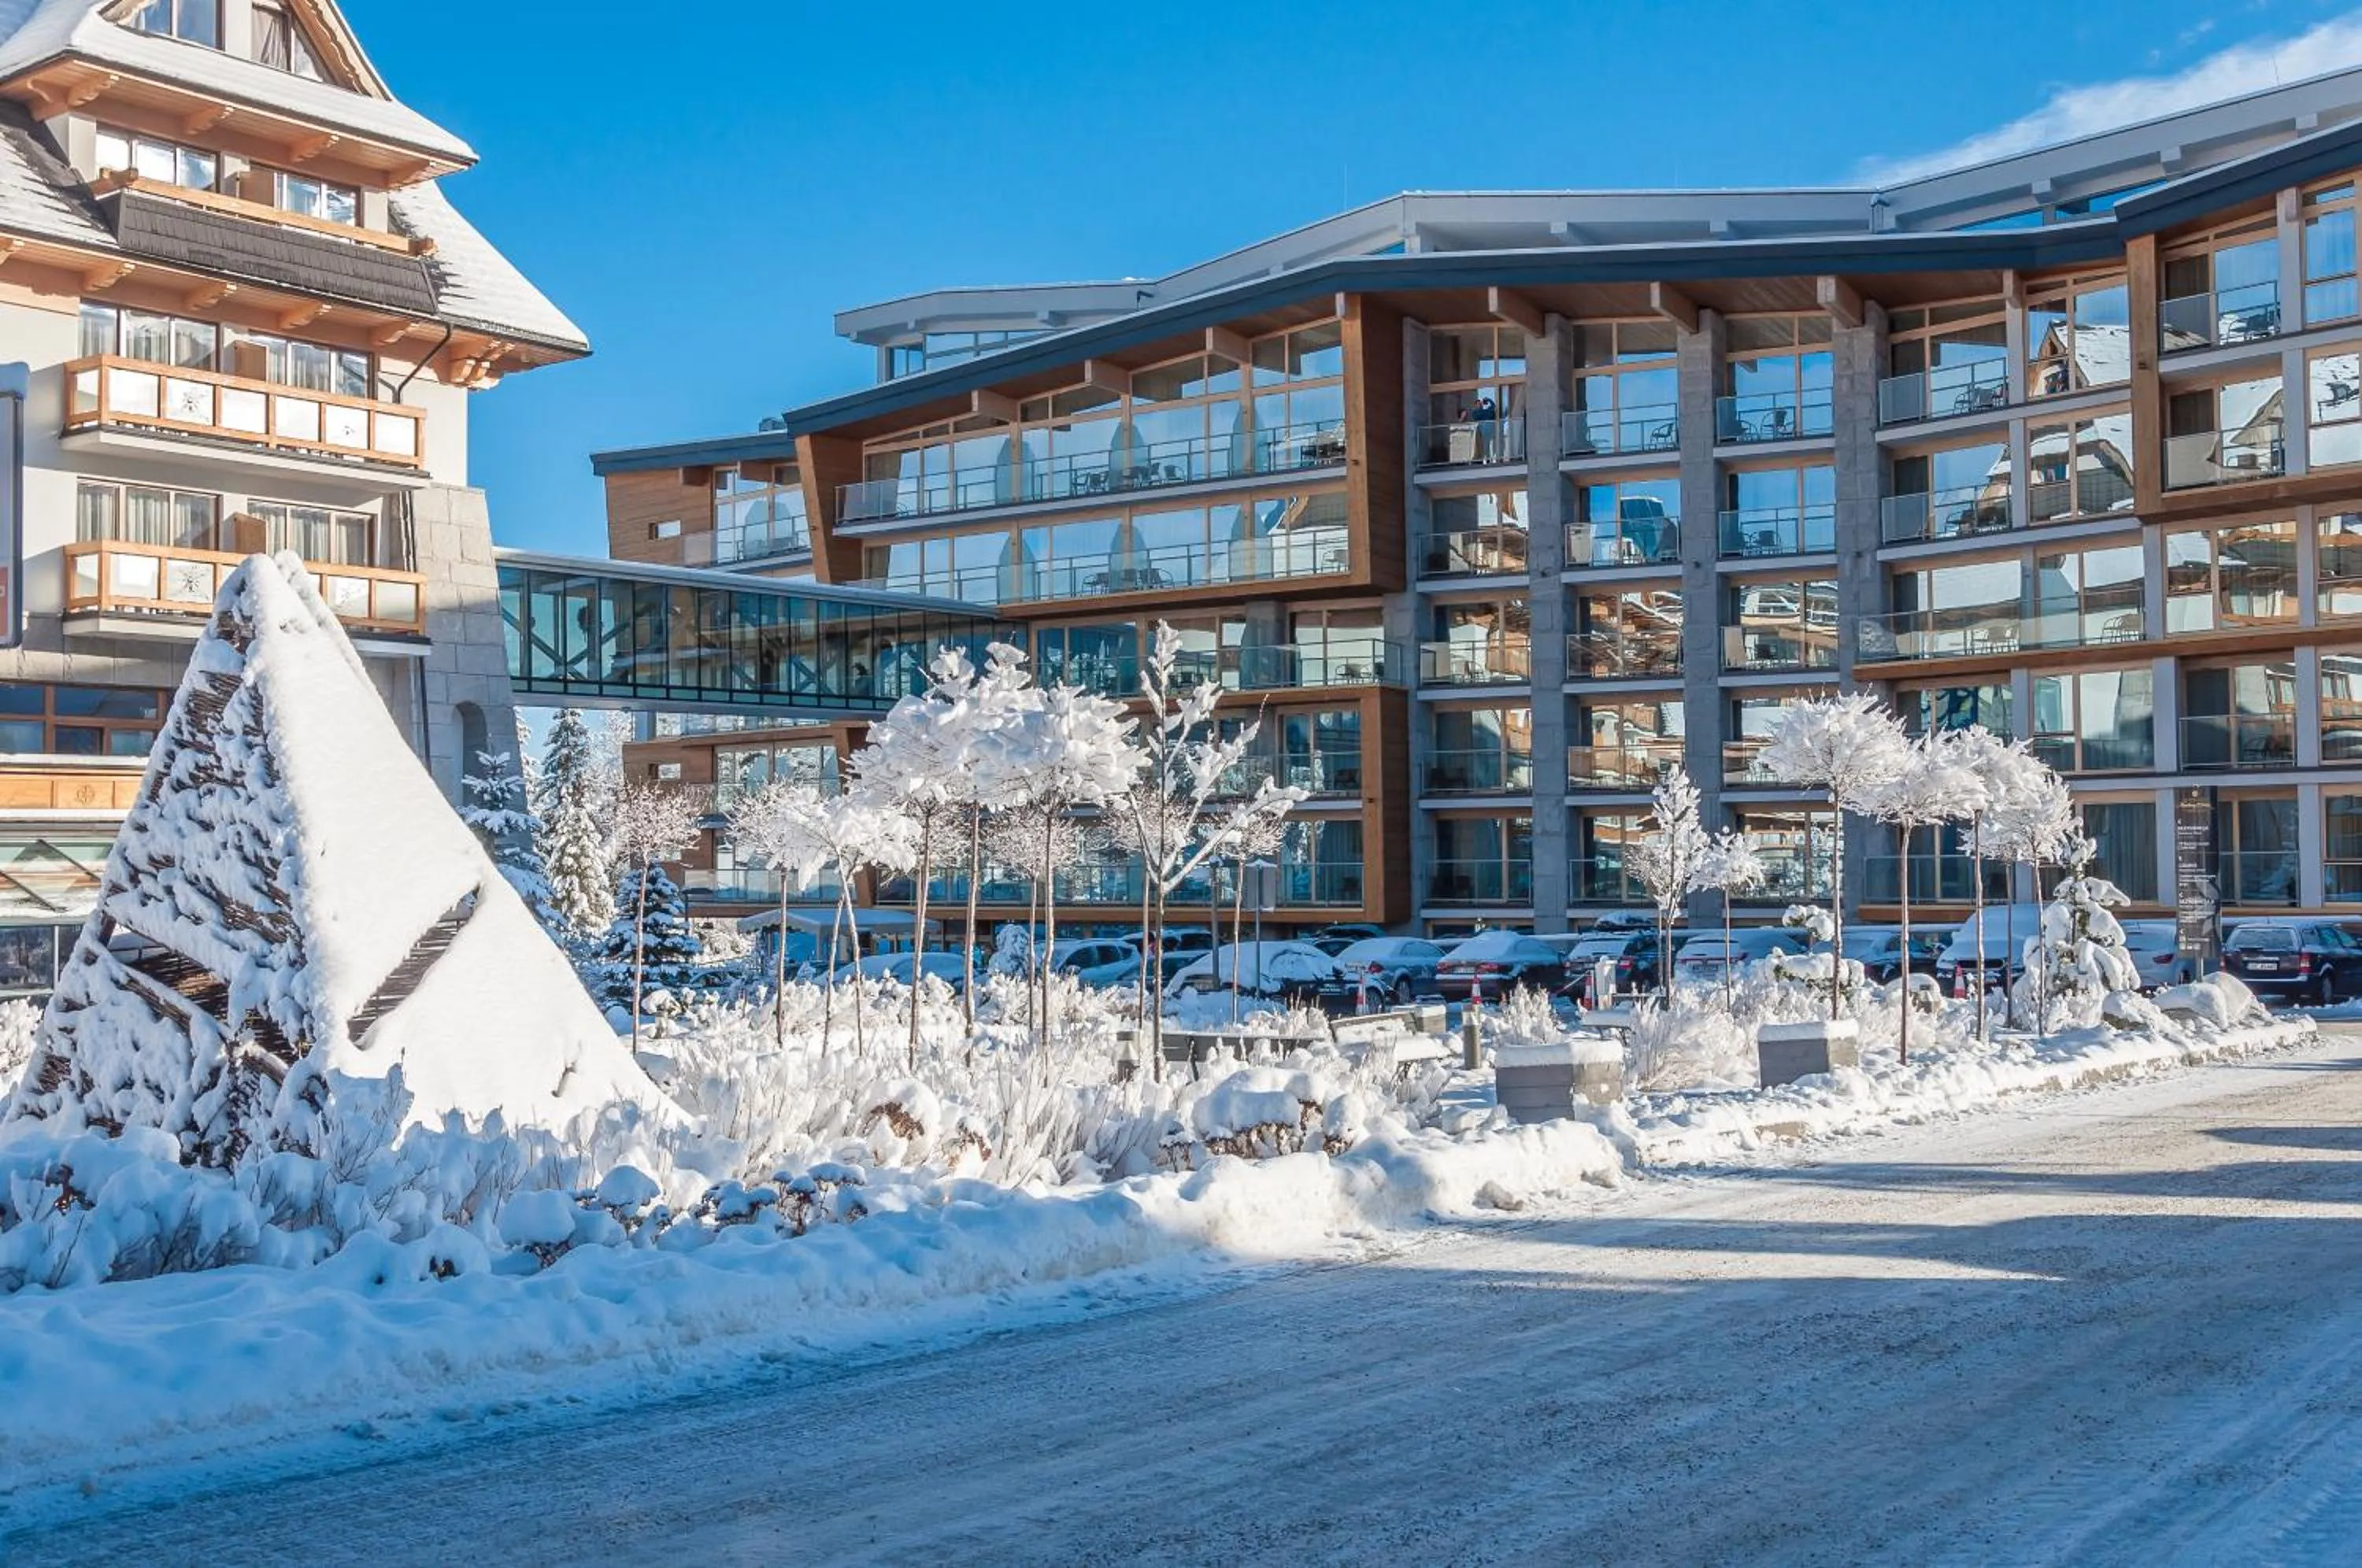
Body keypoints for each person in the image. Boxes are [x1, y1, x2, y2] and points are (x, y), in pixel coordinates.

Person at [1470, 393, 1498, 461]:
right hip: (1481, 433)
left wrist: (1488, 400)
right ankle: (1486, 459)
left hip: (1488, 431)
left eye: (1480, 404)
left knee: (1489, 446)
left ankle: (1490, 459)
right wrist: (1488, 401)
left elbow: (1493, 407)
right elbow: (1491, 410)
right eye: (1478, 404)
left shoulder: (1485, 411)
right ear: (1475, 406)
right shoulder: (1475, 413)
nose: (1480, 405)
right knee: (1484, 447)